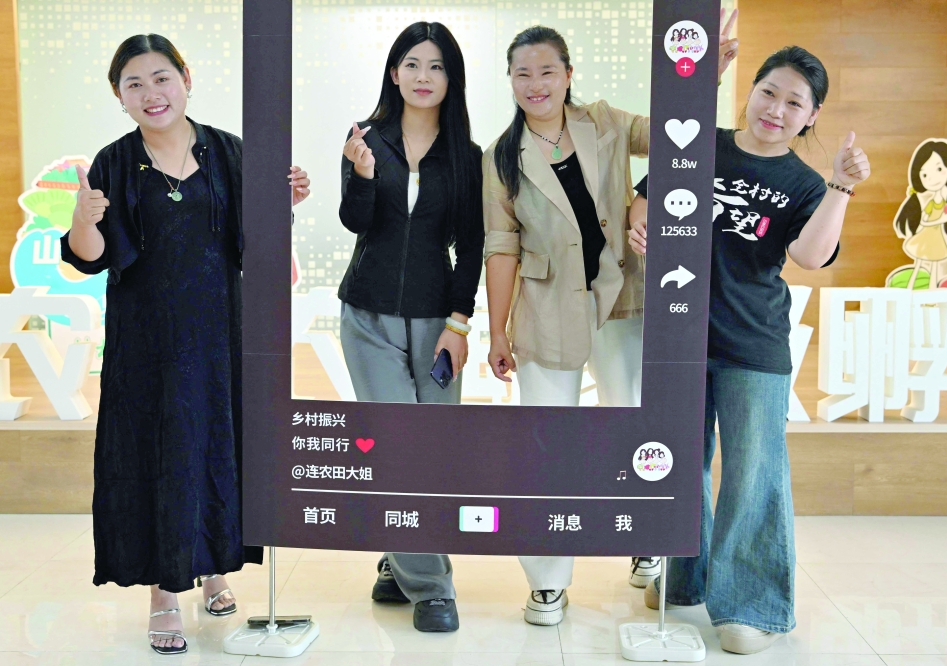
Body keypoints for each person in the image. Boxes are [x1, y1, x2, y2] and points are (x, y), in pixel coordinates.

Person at [60, 34, 311, 656]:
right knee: (157, 458)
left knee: (214, 451)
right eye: (135, 85)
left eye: (161, 78)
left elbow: (256, 240)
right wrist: (83, 219)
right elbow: (89, 260)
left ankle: (215, 570)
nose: (151, 94)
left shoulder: (229, 152)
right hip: (143, 346)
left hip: (220, 336)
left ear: (186, 78)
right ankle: (163, 593)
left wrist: (287, 204)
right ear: (119, 97)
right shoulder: (114, 163)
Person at [629, 39, 871, 654]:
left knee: (752, 476)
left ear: (811, 116)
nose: (776, 108)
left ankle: (753, 606)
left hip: (751, 343)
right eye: (769, 91)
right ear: (751, 89)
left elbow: (809, 256)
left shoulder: (805, 183)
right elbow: (647, 191)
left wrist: (841, 188)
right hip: (676, 335)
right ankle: (687, 581)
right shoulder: (699, 143)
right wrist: (638, 221)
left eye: (795, 102)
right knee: (678, 466)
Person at [482, 24, 651, 627]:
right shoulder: (502, 155)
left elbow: (671, 142)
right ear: (510, 80)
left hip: (620, 293)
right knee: (546, 442)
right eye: (522, 73)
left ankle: (646, 541)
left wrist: (700, 73)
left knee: (627, 417)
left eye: (547, 71)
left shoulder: (604, 121)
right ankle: (548, 581)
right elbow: (500, 246)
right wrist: (497, 330)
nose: (535, 84)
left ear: (569, 74)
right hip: (547, 306)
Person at [338, 21, 484, 633]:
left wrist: (459, 322)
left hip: (437, 318)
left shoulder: (468, 156)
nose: (424, 77)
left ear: (452, 79)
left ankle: (400, 560)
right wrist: (363, 173)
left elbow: (472, 244)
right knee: (398, 445)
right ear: (394, 72)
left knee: (435, 451)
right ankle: (431, 587)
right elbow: (355, 221)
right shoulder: (364, 137)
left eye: (437, 66)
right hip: (367, 314)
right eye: (413, 64)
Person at [893, 141, 947, 289]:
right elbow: (926, 215)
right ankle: (912, 289)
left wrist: (931, 222)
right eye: (924, 174)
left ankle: (933, 291)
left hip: (937, 235)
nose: (930, 178)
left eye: (938, 169)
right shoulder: (930, 200)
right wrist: (926, 222)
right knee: (919, 263)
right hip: (926, 234)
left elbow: (945, 217)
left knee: (935, 264)